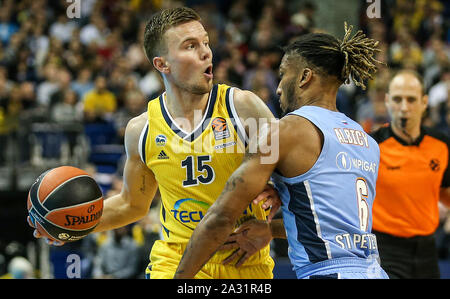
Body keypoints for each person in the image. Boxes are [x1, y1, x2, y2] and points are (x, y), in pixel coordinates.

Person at [28, 6, 279, 279]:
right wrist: (69, 224)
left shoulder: (244, 108)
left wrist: (276, 207)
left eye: (206, 43)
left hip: (245, 261)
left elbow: (303, 183)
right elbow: (131, 204)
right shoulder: (142, 130)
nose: (206, 52)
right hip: (175, 261)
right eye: (191, 46)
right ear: (162, 64)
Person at [174, 23, 389, 279]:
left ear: (304, 77)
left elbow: (221, 217)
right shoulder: (367, 142)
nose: (277, 88)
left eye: (283, 74)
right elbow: (327, 222)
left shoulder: (285, 131)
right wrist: (271, 229)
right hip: (374, 271)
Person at [370, 69, 450, 279]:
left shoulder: (442, 145)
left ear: (424, 102)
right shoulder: (371, 145)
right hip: (384, 249)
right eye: (397, 99)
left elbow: (446, 191)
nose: (404, 107)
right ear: (387, 101)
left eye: (411, 100)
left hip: (427, 249)